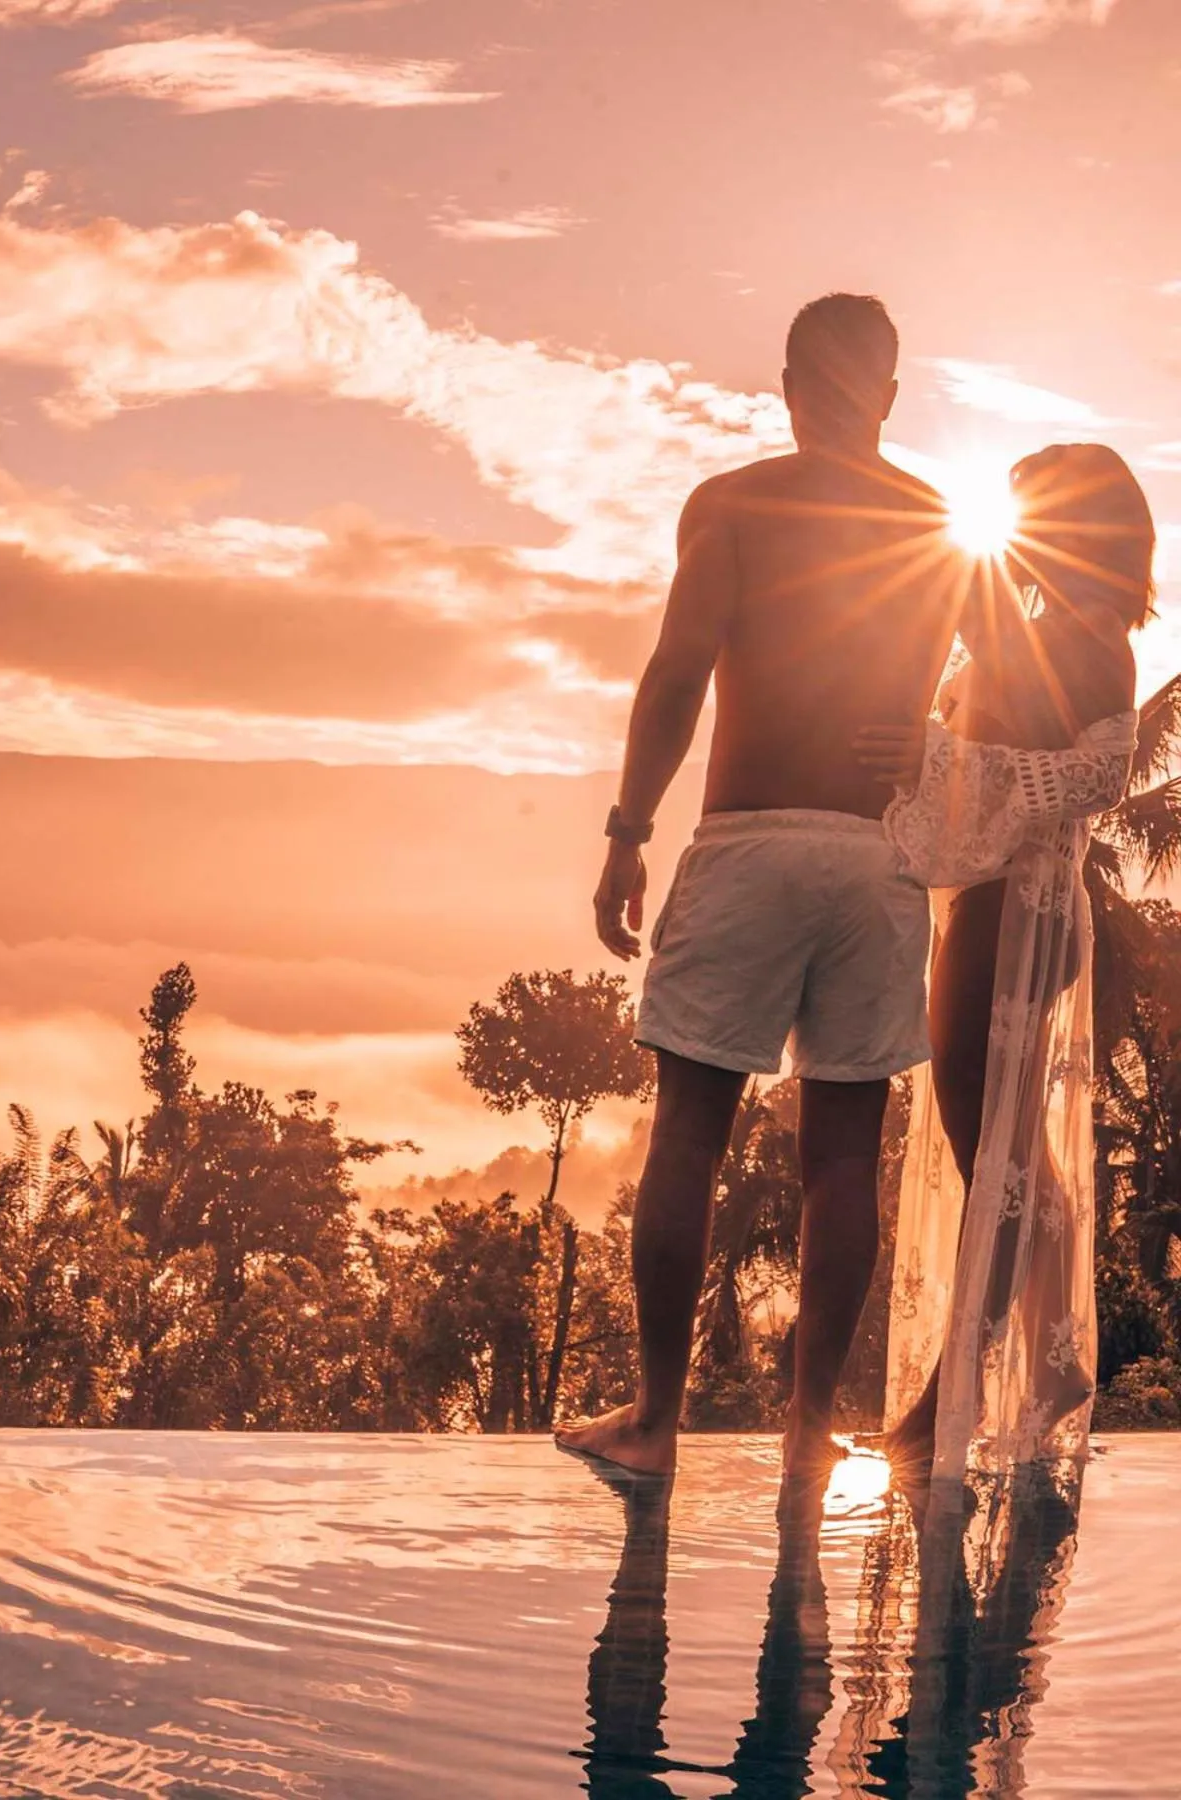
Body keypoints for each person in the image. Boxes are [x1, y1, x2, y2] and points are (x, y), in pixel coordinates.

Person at [556, 292, 980, 1480]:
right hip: (878, 857)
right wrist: (938, 752)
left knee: (690, 1133)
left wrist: (627, 830)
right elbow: (1012, 676)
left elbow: (676, 674)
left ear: (788, 387)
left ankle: (655, 1422)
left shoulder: (735, 505)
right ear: (887, 396)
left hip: (751, 841)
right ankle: (805, 1433)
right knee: (842, 1156)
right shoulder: (941, 526)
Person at [855, 443, 1149, 1478]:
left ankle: (956, 1393)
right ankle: (1036, 1374)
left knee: (993, 1155)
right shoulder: (1054, 629)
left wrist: (938, 753)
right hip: (999, 903)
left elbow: (1091, 774)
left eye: (1037, 514)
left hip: (1015, 911)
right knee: (1006, 1149)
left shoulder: (1082, 635)